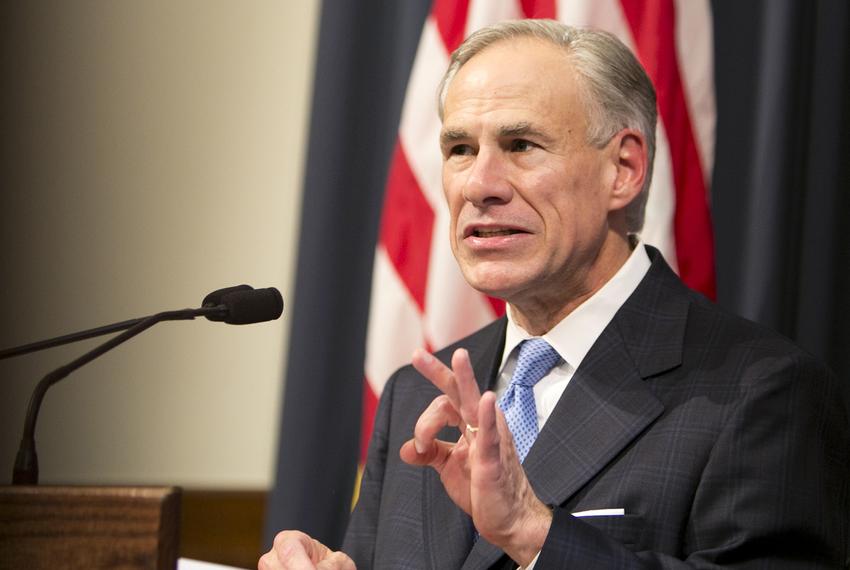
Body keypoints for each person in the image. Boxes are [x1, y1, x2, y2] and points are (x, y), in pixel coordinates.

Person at [261, 20, 849, 569]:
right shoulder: (415, 393)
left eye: (521, 145)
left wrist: (534, 533)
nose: (480, 185)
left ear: (623, 169)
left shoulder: (760, 393)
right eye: (460, 149)